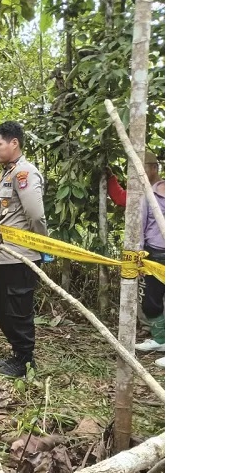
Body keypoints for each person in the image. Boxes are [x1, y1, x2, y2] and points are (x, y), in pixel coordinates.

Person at [0, 121, 46, 378]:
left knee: (18, 309)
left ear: (14, 143)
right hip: (2, 254)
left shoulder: (25, 173)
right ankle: (17, 353)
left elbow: (35, 214)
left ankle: (25, 361)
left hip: (20, 255)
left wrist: (42, 245)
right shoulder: (7, 175)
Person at [107, 151, 166, 367]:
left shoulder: (159, 191)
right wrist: (110, 178)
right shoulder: (143, 192)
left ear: (153, 168)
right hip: (153, 254)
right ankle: (161, 340)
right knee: (151, 301)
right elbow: (123, 199)